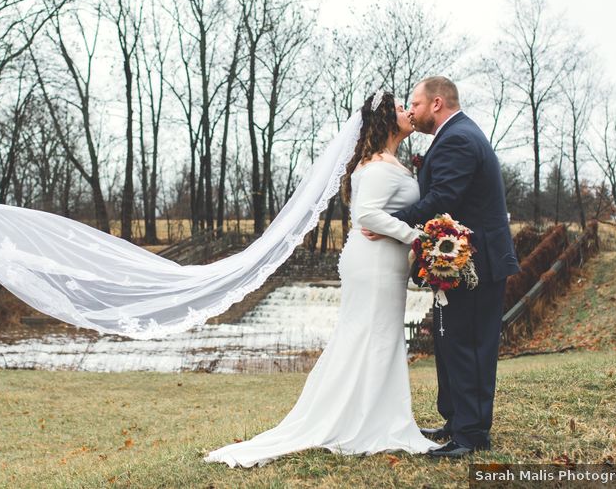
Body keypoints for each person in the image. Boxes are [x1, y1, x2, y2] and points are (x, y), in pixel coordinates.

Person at [204, 90, 439, 467]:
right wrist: (418, 238)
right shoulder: (379, 165)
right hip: (375, 264)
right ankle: (369, 422)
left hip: (378, 262)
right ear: (384, 120)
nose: (407, 112)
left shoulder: (382, 161)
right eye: (399, 109)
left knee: (373, 336)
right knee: (374, 336)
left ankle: (375, 415)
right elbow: (367, 216)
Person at [362, 76, 519, 458]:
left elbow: (442, 198)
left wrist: (390, 222)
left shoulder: (459, 138)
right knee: (451, 343)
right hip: (457, 262)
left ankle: (472, 435)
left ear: (435, 103)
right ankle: (455, 420)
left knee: (470, 346)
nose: (410, 112)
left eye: (414, 104)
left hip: (475, 264)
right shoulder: (453, 136)